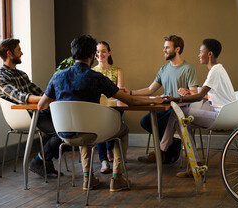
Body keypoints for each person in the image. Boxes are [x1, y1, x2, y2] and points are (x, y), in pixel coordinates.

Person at [38, 34, 163, 191]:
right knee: (122, 129)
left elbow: (41, 105)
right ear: (92, 55)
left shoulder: (57, 76)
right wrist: (154, 100)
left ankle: (87, 179)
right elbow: (130, 100)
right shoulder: (96, 77)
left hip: (64, 133)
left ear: (73, 53)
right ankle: (117, 178)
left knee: (81, 123)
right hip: (91, 132)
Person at [161, 38, 236, 178]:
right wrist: (189, 92)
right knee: (181, 122)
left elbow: (199, 97)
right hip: (222, 112)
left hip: (221, 116)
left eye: (201, 51)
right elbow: (209, 96)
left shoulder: (215, 71)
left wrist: (176, 99)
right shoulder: (218, 69)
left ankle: (163, 147)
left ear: (209, 54)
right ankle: (195, 165)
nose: (198, 54)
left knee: (178, 113)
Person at [122, 35, 199, 163]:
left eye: (167, 48)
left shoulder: (188, 68)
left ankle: (162, 153)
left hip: (181, 109)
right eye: (164, 47)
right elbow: (150, 89)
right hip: (165, 107)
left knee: (163, 120)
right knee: (146, 122)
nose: (164, 50)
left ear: (177, 49)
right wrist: (129, 92)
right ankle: (173, 145)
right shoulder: (163, 69)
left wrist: (187, 92)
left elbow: (195, 93)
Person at [0, 38, 63, 178]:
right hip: (23, 117)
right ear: (9, 53)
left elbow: (39, 92)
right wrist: (48, 100)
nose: (22, 53)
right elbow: (20, 96)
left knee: (66, 126)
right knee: (61, 132)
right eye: (18, 50)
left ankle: (45, 162)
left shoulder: (22, 75)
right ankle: (38, 162)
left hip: (37, 112)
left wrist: (53, 98)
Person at [92, 41, 124, 174]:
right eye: (98, 52)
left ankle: (109, 147)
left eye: (103, 51)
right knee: (99, 127)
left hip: (115, 107)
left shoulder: (118, 70)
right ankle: (103, 160)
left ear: (109, 53)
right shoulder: (92, 72)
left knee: (112, 127)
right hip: (98, 107)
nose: (100, 54)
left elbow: (120, 91)